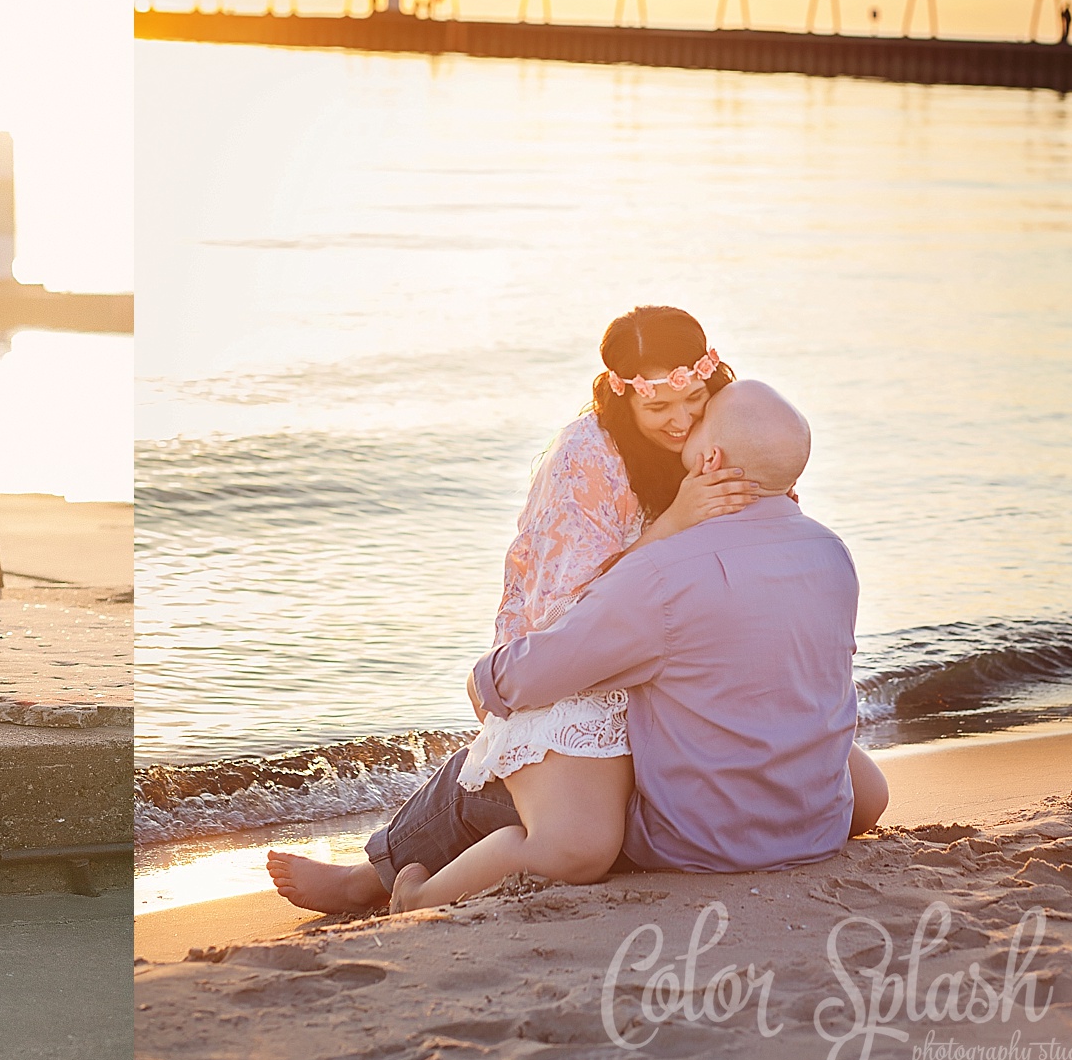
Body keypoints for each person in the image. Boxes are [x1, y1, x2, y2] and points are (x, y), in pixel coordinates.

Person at [269, 313, 887, 915]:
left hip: (677, 647)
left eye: (693, 402)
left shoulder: (731, 445)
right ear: (624, 399)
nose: (680, 421)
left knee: (856, 791)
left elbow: (762, 551)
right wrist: (671, 526)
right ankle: (372, 875)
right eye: (659, 409)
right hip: (594, 637)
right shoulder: (586, 459)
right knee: (575, 825)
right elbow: (568, 622)